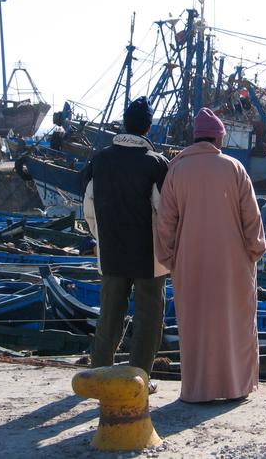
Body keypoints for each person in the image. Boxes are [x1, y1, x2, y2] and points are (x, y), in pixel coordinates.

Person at [155, 108, 266, 403]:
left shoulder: (176, 170)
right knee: (235, 325)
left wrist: (169, 259)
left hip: (190, 262)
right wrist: (255, 250)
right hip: (233, 262)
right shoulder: (234, 168)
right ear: (218, 138)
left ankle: (197, 390)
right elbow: (252, 219)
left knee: (196, 326)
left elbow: (165, 223)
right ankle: (236, 387)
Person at [82, 96, 169, 393]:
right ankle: (139, 380)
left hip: (112, 253)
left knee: (109, 314)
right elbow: (165, 212)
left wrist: (101, 238)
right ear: (147, 127)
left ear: (124, 123)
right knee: (148, 317)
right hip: (150, 256)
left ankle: (98, 375)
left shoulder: (101, 159)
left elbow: (89, 208)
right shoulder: (156, 164)